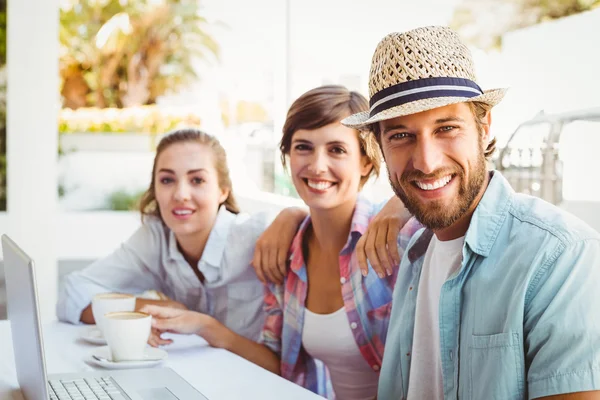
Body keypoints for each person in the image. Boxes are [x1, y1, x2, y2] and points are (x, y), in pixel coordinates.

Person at [342, 25, 600, 399]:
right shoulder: (412, 256)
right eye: (400, 135)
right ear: (380, 146)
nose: (426, 162)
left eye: (446, 128)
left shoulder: (561, 255)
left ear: (483, 127)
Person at [142, 85, 421, 399]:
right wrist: (204, 326)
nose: (317, 165)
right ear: (287, 157)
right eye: (303, 147)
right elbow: (280, 367)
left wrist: (404, 201)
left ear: (367, 162)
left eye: (337, 150)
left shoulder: (400, 237)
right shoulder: (286, 252)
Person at [56, 128, 307, 340]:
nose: (180, 195)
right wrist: (149, 308)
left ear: (222, 191)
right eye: (167, 180)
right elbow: (71, 294)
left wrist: (294, 213)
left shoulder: (256, 235)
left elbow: (325, 229)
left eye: (197, 180)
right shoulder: (156, 238)